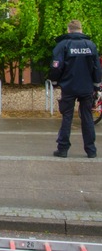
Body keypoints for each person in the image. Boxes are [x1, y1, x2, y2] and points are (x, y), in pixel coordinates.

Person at [49, 19, 101, 158]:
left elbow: (56, 66)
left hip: (69, 86)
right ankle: (91, 150)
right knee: (87, 118)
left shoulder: (63, 45)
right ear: (81, 29)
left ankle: (63, 149)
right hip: (86, 87)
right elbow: (97, 67)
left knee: (67, 117)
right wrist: (96, 84)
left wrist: (54, 82)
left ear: (68, 30)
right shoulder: (90, 45)